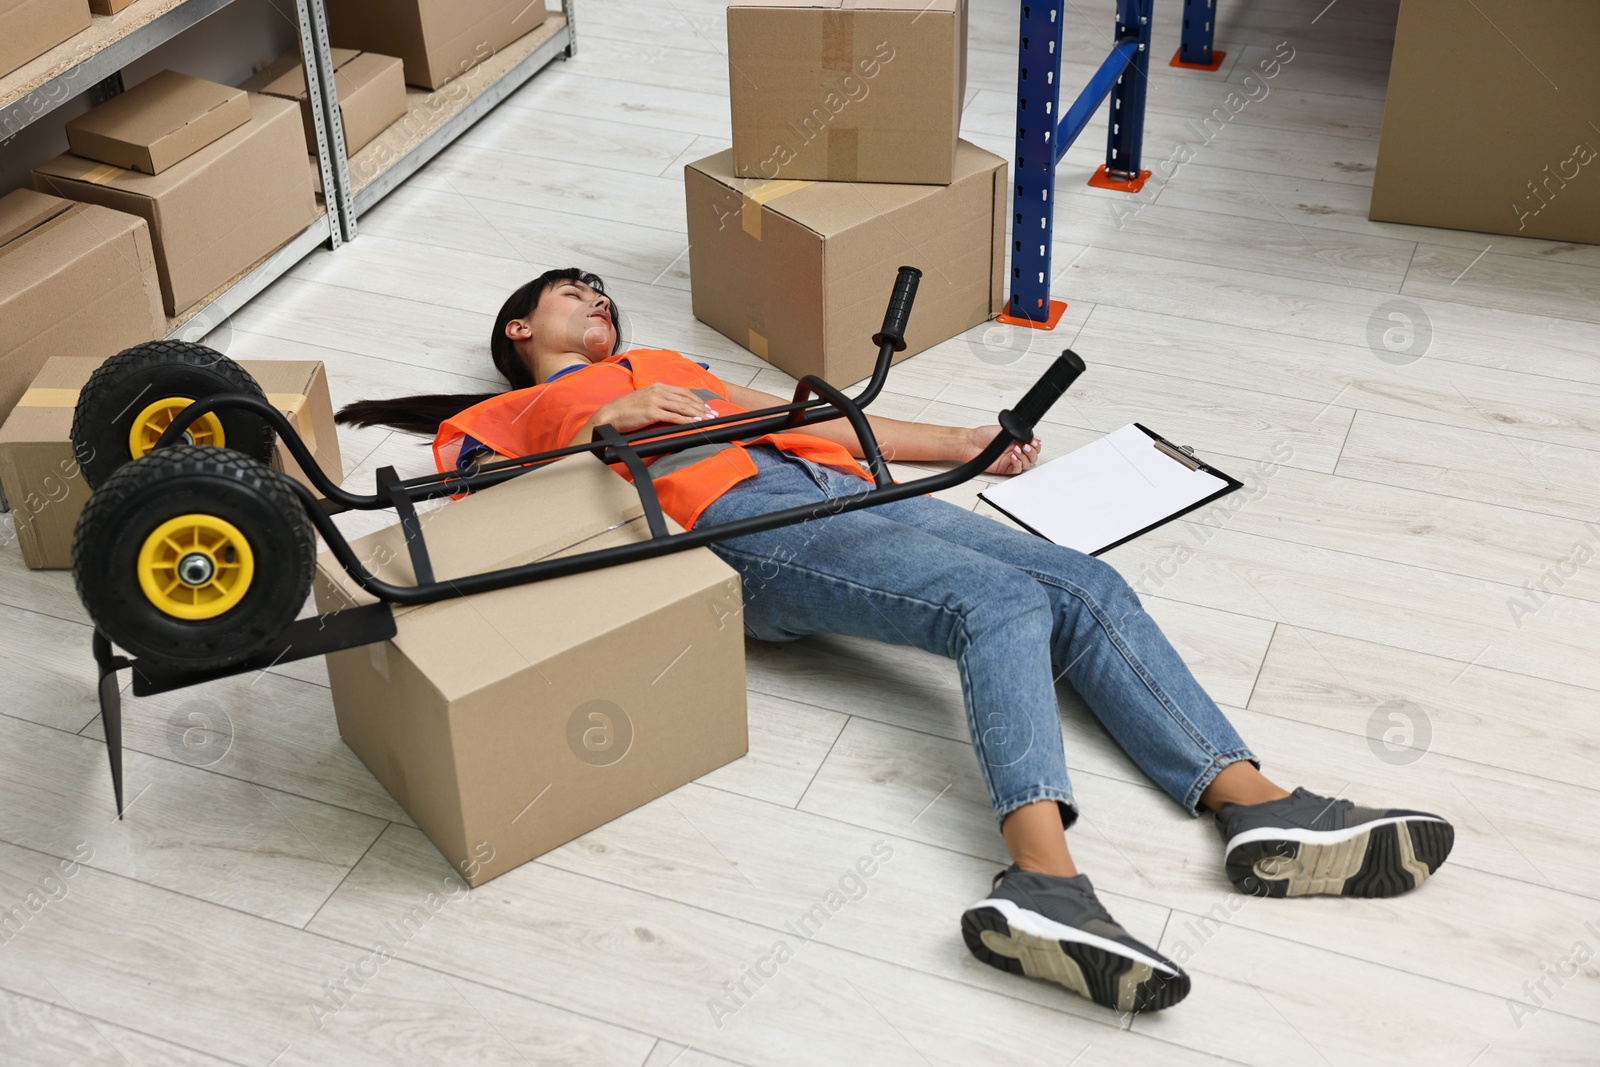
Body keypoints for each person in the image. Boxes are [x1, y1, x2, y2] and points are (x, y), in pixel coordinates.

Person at [336, 268, 1455, 1015]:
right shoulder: (491, 414)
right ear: (520, 330)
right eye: (572, 295)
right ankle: (1039, 884)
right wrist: (596, 428)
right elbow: (479, 503)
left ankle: (1252, 804)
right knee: (998, 606)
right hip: (725, 527)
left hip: (817, 483)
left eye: (604, 296)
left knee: (1077, 578)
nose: (599, 304)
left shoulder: (670, 359)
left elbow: (810, 417)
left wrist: (960, 442)